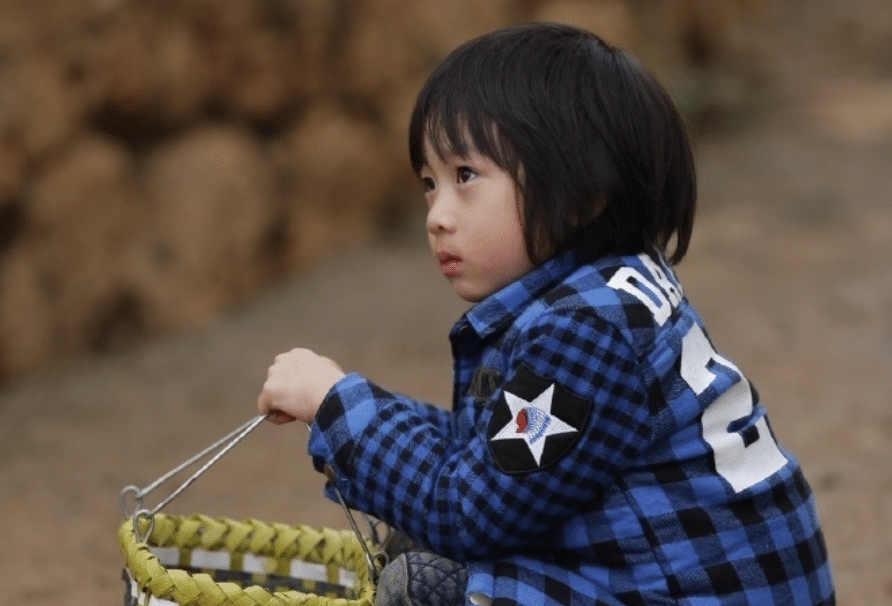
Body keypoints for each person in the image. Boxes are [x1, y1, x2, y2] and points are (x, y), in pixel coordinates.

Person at [257, 22, 835, 606]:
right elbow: (479, 456)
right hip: (674, 580)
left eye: (466, 177)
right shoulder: (611, 288)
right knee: (418, 525)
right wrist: (358, 412)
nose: (436, 214)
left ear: (586, 188)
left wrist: (335, 405)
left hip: (685, 591)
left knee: (427, 589)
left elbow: (470, 510)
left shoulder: (584, 334)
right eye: (429, 184)